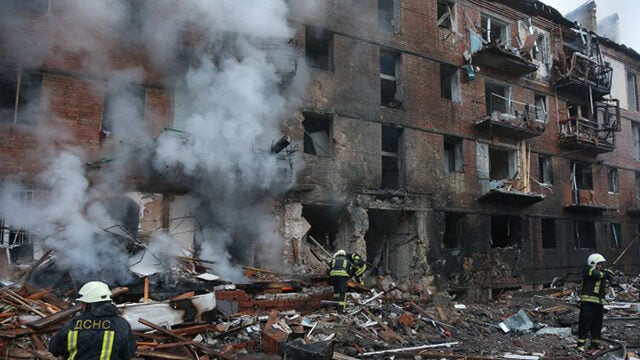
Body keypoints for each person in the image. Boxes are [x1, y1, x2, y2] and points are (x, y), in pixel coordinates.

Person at [49, 281, 137, 360]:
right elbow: (128, 353)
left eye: (83, 303)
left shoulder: (73, 324)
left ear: (88, 304)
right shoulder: (121, 325)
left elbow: (54, 348)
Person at [576, 253, 614, 352]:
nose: (601, 266)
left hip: (598, 303)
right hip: (588, 303)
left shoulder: (601, 272)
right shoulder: (587, 269)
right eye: (599, 264)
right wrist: (605, 273)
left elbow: (605, 276)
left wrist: (609, 275)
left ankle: (595, 343)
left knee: (597, 324)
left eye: (602, 264)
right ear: (593, 263)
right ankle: (580, 344)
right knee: (585, 323)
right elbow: (597, 274)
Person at [328, 249, 351, 314]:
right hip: (342, 277)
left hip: (333, 276)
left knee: (336, 291)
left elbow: (328, 270)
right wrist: (348, 276)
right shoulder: (347, 261)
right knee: (342, 293)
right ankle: (341, 310)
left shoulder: (333, 260)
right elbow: (350, 271)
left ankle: (335, 306)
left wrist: (330, 276)